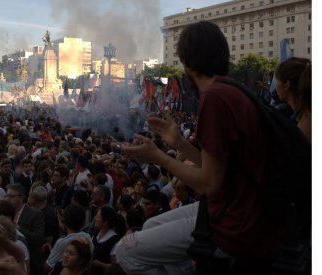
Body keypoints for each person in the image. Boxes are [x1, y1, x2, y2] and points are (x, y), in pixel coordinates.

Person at [116, 20, 277, 274]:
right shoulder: (232, 91)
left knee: (125, 251)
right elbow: (216, 163)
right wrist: (178, 142)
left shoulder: (215, 98)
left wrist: (159, 157)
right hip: (238, 207)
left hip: (235, 221)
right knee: (147, 227)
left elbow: (208, 183)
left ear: (187, 61)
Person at [5, 183, 45, 275]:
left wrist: (18, 228)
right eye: (6, 196)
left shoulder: (35, 214)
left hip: (30, 262)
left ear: (21, 197)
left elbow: (38, 239)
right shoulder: (6, 213)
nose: (7, 199)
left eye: (11, 196)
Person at [44, 204, 94, 274]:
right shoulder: (88, 237)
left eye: (71, 253)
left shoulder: (62, 242)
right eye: (66, 252)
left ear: (64, 220)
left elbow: (48, 266)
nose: (66, 255)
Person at [274, 57, 312, 143]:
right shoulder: (303, 114)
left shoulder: (306, 123)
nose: (275, 85)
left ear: (287, 85)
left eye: (276, 80)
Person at [92, 206, 126, 275]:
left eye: (98, 216)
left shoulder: (114, 241)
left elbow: (115, 268)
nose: (95, 218)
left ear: (105, 222)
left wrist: (98, 264)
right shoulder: (97, 232)